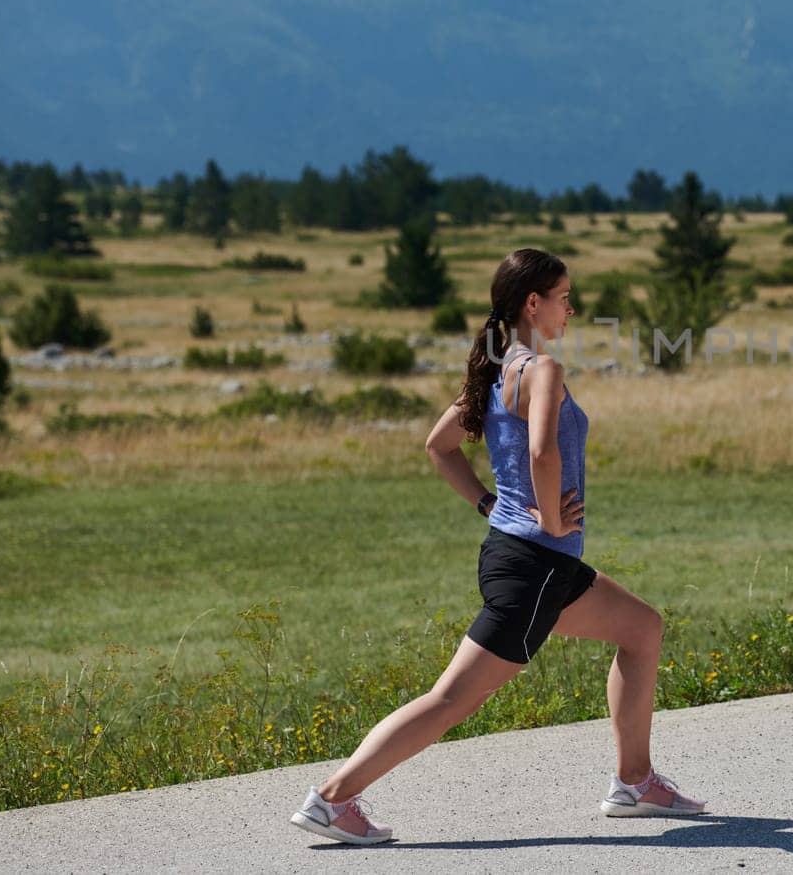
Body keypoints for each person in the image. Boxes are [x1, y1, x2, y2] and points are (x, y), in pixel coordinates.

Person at [292, 248, 705, 845]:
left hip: (523, 556)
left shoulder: (493, 370)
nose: (572, 307)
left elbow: (439, 446)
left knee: (642, 627)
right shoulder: (542, 370)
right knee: (450, 699)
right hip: (535, 562)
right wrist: (550, 519)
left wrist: (492, 504)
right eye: (564, 296)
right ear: (533, 304)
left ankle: (634, 782)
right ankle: (333, 798)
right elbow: (542, 452)